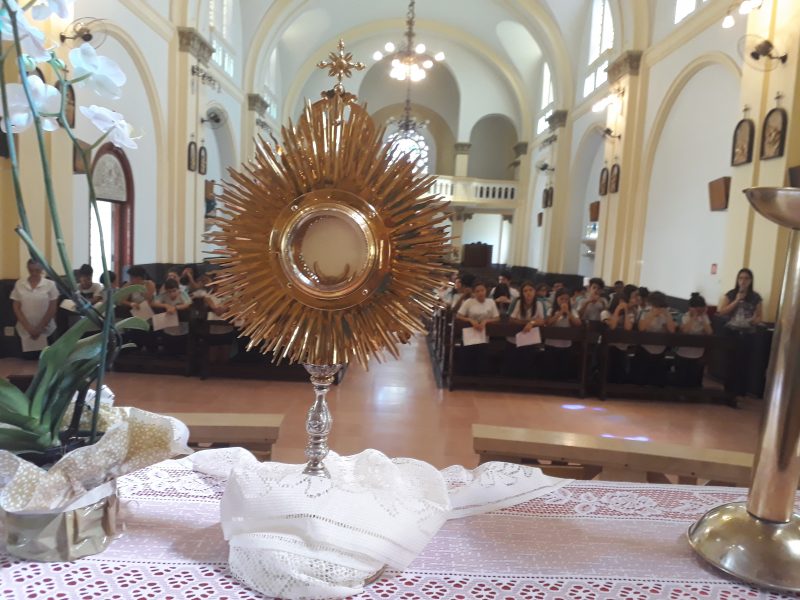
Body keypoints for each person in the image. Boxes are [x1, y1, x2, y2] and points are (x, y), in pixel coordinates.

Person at [717, 268, 763, 396]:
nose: (743, 281)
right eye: (740, 278)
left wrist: (756, 320)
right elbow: (721, 312)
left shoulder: (755, 297)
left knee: (744, 363)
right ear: (737, 280)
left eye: (746, 278)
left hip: (748, 333)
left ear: (751, 281)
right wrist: (737, 300)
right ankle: (729, 390)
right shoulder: (731, 294)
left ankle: (740, 392)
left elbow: (759, 316)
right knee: (730, 362)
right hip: (732, 332)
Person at [10, 259, 59, 357]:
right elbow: (16, 306)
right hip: (25, 331)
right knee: (25, 361)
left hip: (46, 330)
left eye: (37, 270)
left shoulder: (50, 285)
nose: (34, 273)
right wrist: (28, 327)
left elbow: (52, 308)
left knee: (44, 359)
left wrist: (40, 328)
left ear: (42, 269)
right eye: (31, 270)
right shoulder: (20, 284)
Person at [456, 281, 499, 375]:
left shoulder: (490, 302)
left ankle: (480, 379)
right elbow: (459, 315)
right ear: (474, 293)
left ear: (486, 291)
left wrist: (486, 321)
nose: (480, 293)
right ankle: (465, 377)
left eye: (482, 290)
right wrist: (470, 320)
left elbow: (497, 317)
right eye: (477, 291)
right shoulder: (469, 302)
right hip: (470, 333)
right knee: (468, 357)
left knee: (482, 357)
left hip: (483, 334)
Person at [634, 291, 676, 386]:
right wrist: (652, 314)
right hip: (645, 348)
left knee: (656, 377)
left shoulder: (665, 314)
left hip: (660, 349)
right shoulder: (645, 312)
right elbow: (641, 328)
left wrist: (667, 315)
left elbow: (672, 330)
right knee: (642, 376)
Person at [505, 281, 546, 377]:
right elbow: (511, 319)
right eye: (525, 291)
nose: (528, 293)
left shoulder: (539, 303)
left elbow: (542, 321)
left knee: (527, 362)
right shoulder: (518, 302)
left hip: (530, 339)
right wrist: (526, 323)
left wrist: (532, 323)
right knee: (513, 362)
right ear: (522, 293)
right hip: (515, 338)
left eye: (530, 290)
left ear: (535, 291)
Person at [542, 288, 582, 379]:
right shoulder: (551, 310)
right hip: (551, 344)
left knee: (563, 369)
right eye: (561, 299)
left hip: (565, 345)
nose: (564, 301)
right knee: (550, 368)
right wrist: (560, 312)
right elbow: (548, 323)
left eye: (566, 299)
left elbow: (578, 323)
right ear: (557, 299)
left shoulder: (572, 311)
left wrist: (567, 312)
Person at [675, 293, 713, 387]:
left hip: (698, 353)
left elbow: (709, 332)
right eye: (696, 308)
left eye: (701, 308)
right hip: (683, 352)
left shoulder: (705, 318)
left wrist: (703, 318)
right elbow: (685, 331)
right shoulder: (684, 316)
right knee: (682, 377)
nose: (698, 310)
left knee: (695, 378)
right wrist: (693, 317)